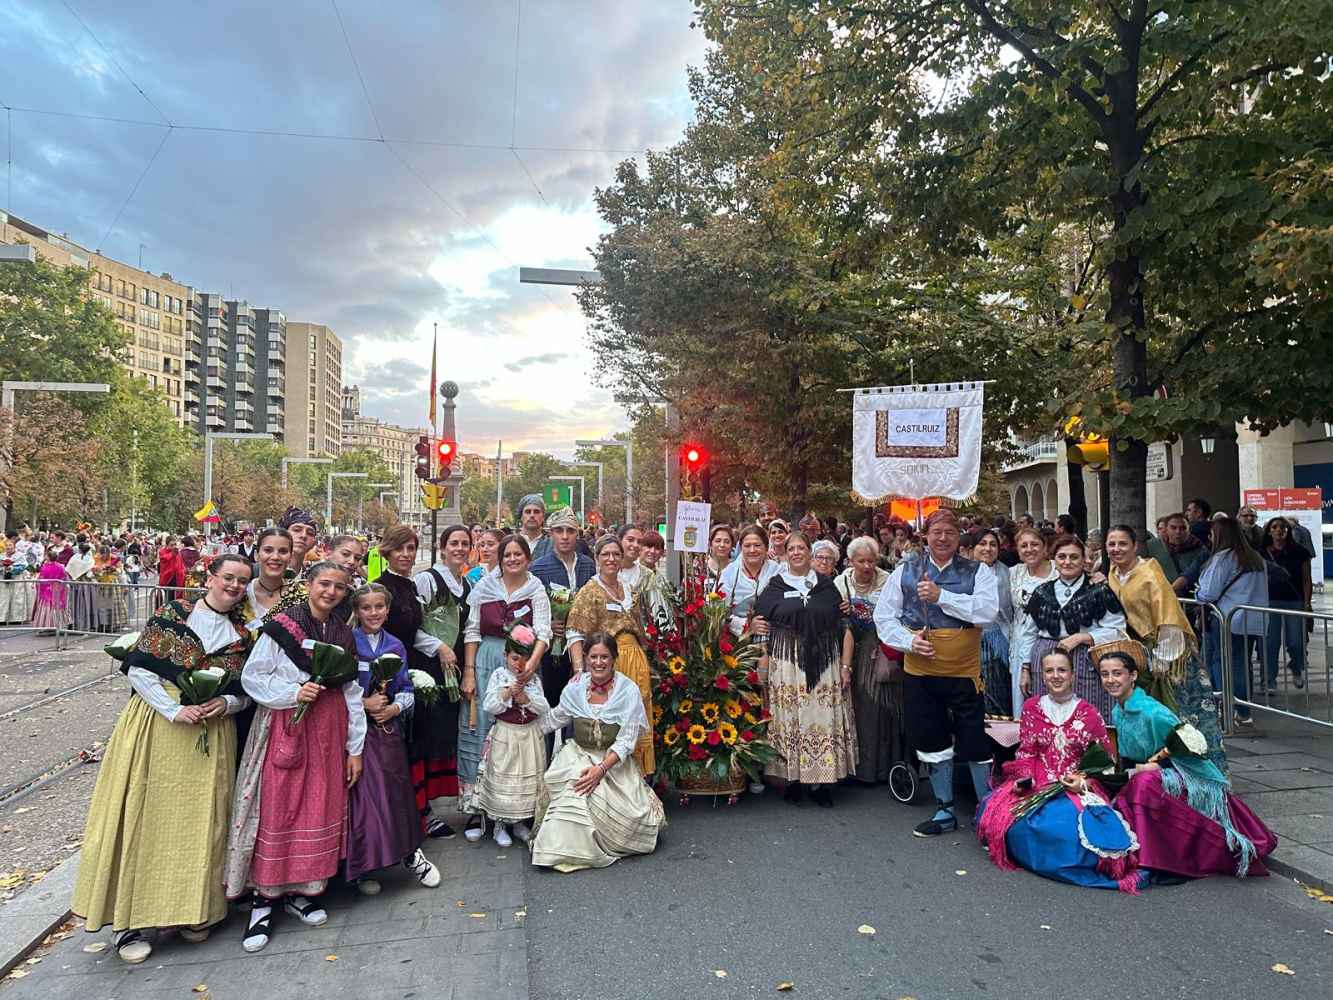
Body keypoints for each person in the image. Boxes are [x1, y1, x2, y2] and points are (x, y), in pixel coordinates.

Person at [73, 555, 257, 963]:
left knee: (202, 821)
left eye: (242, 581)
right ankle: (130, 922)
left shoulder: (241, 634)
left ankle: (194, 911)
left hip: (210, 731)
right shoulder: (174, 614)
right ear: (210, 577)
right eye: (228, 577)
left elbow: (247, 691)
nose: (234, 586)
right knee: (146, 815)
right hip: (160, 726)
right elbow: (139, 670)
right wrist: (174, 709)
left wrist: (224, 703)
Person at [224, 561, 367, 953]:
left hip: (327, 733)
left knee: (316, 808)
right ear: (308, 584)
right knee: (278, 807)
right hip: (285, 727)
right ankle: (263, 900)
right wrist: (293, 693)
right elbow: (254, 677)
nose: (331, 592)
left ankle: (301, 892)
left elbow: (352, 694)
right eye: (324, 584)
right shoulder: (283, 626)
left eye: (339, 587)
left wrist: (355, 748)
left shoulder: (343, 633)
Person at [1098, 646, 1276, 879]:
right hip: (1147, 772)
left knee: (1143, 785)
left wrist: (1157, 767)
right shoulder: (1117, 711)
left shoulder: (1154, 713)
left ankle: (1156, 860)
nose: (1111, 680)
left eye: (1117, 673)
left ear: (1132, 676)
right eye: (1105, 674)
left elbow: (1190, 749)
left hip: (1184, 774)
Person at [873, 508, 999, 837]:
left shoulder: (978, 571)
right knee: (931, 737)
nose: (943, 538)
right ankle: (944, 807)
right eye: (936, 532)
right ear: (925, 536)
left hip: (964, 671)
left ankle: (987, 810)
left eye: (950, 532)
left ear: (959, 537)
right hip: (921, 670)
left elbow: (987, 612)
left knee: (974, 739)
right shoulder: (906, 570)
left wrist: (943, 597)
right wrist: (909, 641)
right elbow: (884, 618)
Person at [975, 648, 1141, 893]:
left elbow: (1104, 762)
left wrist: (1082, 781)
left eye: (1061, 670)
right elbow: (1027, 752)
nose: (1056, 676)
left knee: (1065, 825)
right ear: (1042, 676)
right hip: (1038, 780)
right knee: (1015, 820)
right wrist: (1025, 780)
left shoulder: (1089, 713)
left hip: (1076, 784)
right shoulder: (1032, 707)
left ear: (1073, 674)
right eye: (1049, 670)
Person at [530, 632, 665, 872]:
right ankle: (558, 851)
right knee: (575, 793)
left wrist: (600, 770)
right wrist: (522, 718)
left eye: (604, 657)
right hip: (578, 756)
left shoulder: (628, 691)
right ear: (586, 658)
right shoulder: (575, 689)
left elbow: (626, 741)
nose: (599, 662)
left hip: (612, 762)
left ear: (614, 659)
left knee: (627, 819)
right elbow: (554, 719)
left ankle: (593, 843)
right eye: (593, 657)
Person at [1102, 524, 1225, 770]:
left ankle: (1199, 771)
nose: (1116, 549)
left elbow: (1167, 615)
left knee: (1180, 713)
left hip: (1168, 653)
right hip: (1139, 653)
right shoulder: (1114, 574)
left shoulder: (1149, 572)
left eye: (1122, 543)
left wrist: (1163, 656)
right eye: (1111, 544)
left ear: (1135, 546)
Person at [346, 582, 440, 895]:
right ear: (356, 611)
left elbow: (406, 687)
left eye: (379, 607)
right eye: (366, 607)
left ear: (387, 610)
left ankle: (410, 853)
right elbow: (337, 691)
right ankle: (365, 865)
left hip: (387, 730)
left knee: (395, 793)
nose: (373, 613)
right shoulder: (348, 642)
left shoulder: (396, 645)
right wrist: (364, 704)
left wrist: (396, 707)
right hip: (354, 732)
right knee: (362, 800)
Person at [755, 530, 856, 807]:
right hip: (786, 666)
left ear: (810, 552)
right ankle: (793, 779)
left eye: (802, 547)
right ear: (785, 554)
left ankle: (821, 782)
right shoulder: (775, 586)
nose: (797, 552)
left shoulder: (826, 585)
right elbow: (760, 626)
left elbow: (844, 625)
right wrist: (762, 669)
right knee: (789, 721)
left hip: (825, 665)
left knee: (820, 720)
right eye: (792, 548)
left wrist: (846, 666)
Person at [375, 524, 462, 840]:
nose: (406, 555)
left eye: (411, 549)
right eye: (400, 549)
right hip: (388, 673)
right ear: (388, 551)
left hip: (412, 669)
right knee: (398, 747)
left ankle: (421, 811)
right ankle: (404, 815)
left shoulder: (411, 586)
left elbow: (417, 631)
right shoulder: (381, 587)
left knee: (416, 744)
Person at [462, 535, 551, 839]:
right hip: (487, 658)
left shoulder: (535, 588)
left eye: (518, 554)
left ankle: (514, 810)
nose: (512, 559)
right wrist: (470, 672)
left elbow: (543, 632)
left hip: (521, 664)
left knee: (512, 739)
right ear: (499, 559)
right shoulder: (484, 586)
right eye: (507, 555)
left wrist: (531, 665)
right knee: (480, 732)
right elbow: (472, 631)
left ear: (527, 557)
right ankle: (477, 810)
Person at [566, 535, 656, 777]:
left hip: (635, 659)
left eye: (616, 554)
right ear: (597, 558)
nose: (611, 559)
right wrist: (579, 671)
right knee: (614, 720)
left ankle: (639, 780)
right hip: (608, 664)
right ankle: (612, 777)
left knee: (637, 719)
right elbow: (575, 632)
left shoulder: (630, 589)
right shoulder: (590, 591)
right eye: (605, 554)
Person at [1016, 536, 1126, 721]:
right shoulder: (1042, 592)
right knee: (1048, 715)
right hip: (1045, 659)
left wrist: (1081, 638)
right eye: (1062, 557)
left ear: (1084, 561)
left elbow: (1118, 630)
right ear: (1055, 560)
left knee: (1086, 714)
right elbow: (1028, 633)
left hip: (1086, 660)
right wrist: (1025, 668)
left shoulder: (1099, 590)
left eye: (1074, 557)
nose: (1067, 562)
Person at [477, 622, 550, 847]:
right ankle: (500, 824)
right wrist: (508, 692)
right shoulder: (500, 676)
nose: (519, 664)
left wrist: (527, 700)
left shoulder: (534, 679)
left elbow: (544, 707)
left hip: (528, 736)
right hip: (506, 736)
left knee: (525, 781)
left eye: (525, 659)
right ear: (505, 656)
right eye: (515, 658)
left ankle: (519, 822)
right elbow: (489, 705)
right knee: (504, 775)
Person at [835, 536, 899, 784]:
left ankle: (887, 767)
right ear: (851, 561)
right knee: (862, 707)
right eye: (861, 561)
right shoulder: (841, 582)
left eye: (871, 560)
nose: (866, 566)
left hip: (882, 650)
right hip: (852, 649)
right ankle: (863, 769)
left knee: (887, 707)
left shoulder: (887, 581)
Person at [1196, 517, 1268, 726]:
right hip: (1251, 619)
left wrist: (1198, 591)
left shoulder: (1223, 558)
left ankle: (1224, 706)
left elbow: (1208, 592)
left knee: (1221, 661)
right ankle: (1243, 710)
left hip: (1225, 617)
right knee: (1242, 664)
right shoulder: (1255, 558)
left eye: (1212, 534)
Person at [530, 507, 596, 711]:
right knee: (549, 706)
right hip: (552, 650)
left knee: (581, 705)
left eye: (570, 531)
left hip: (584, 646)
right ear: (551, 534)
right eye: (559, 531)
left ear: (578, 534)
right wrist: (546, 624)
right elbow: (529, 608)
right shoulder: (538, 568)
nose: (565, 536)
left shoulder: (588, 565)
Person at [1007, 526, 1057, 715]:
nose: (1029, 549)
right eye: (1024, 546)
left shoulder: (1059, 569)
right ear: (1018, 551)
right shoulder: (1013, 573)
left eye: (1035, 544)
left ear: (1045, 548)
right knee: (1024, 698)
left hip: (1051, 642)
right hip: (1020, 643)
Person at [1261, 516, 1311, 692]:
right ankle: (1269, 680)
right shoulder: (1261, 553)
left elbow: (1306, 579)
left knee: (1296, 642)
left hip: (1294, 601)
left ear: (1288, 531)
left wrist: (1307, 603)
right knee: (1271, 643)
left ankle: (1296, 666)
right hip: (1269, 601)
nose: (1279, 530)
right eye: (1274, 527)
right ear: (1269, 531)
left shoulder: (1300, 552)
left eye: (1283, 527)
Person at [971, 528, 1015, 718]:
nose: (988, 548)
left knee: (999, 692)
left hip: (1001, 642)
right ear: (973, 548)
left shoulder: (1008, 573)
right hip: (971, 643)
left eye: (993, 544)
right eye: (982, 544)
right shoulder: (962, 572)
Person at [1148, 513, 1209, 597]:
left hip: (1188, 600)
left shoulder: (1200, 550)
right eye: (1173, 528)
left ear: (1189, 529)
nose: (1178, 532)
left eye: (1183, 528)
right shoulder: (1152, 546)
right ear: (1166, 529)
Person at [242, 528, 292, 630]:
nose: (275, 557)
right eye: (268, 550)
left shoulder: (302, 596)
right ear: (256, 555)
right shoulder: (240, 594)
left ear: (290, 557)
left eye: (283, 551)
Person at [31, 548, 70, 634]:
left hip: (47, 590)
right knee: (57, 607)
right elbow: (64, 577)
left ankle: (47, 624)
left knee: (46, 607)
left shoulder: (45, 567)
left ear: (48, 557)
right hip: (58, 589)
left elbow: (41, 579)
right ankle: (58, 624)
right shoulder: (61, 566)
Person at [517, 493, 552, 563]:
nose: (532, 515)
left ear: (543, 517)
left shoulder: (552, 545)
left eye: (536, 512)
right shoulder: (509, 543)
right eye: (528, 512)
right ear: (521, 516)